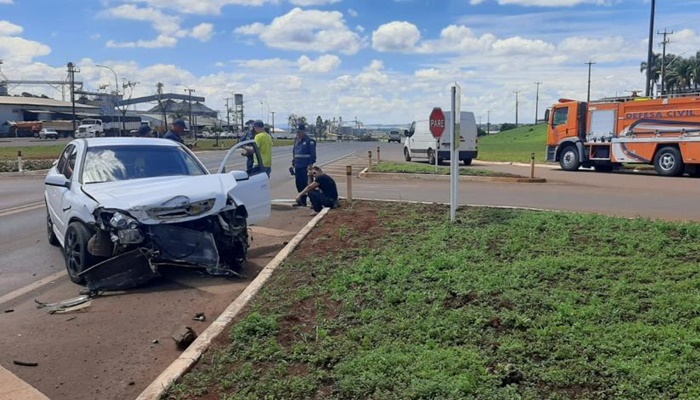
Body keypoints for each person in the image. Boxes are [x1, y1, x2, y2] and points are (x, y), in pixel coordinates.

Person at [292, 124, 317, 206]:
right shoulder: (296, 140)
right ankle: (301, 201)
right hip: (297, 166)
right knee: (299, 184)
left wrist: (310, 165)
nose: (298, 134)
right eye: (297, 132)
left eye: (300, 132)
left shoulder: (309, 141)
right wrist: (293, 163)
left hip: (305, 166)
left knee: (308, 185)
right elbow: (294, 152)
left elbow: (313, 155)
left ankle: (313, 202)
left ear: (304, 132)